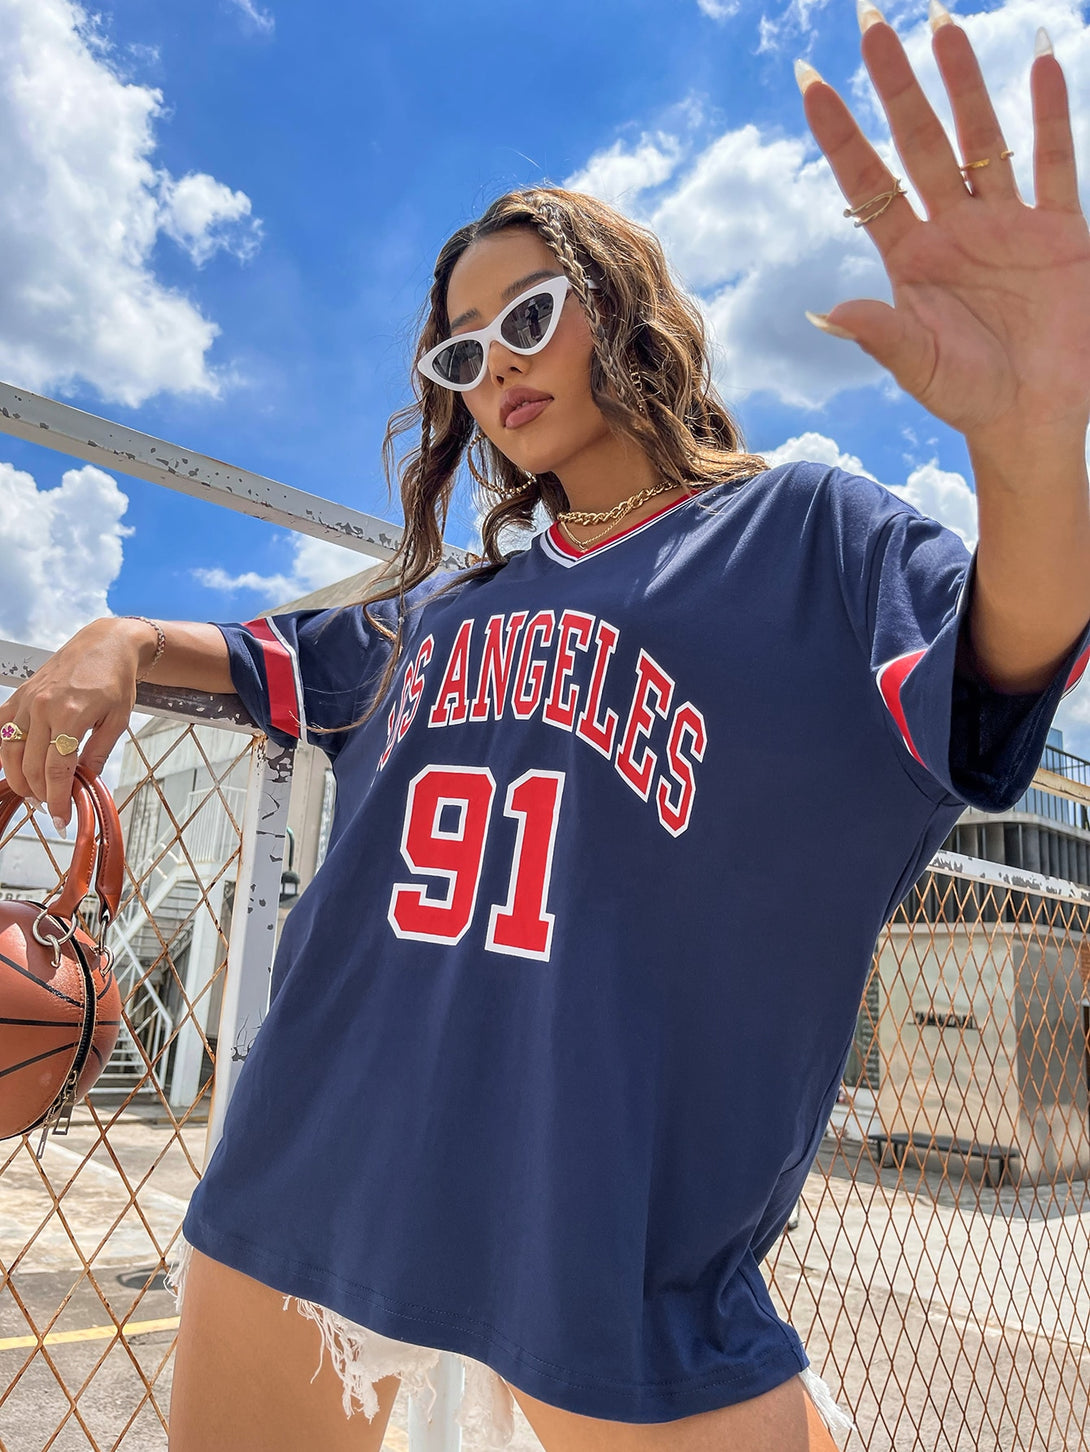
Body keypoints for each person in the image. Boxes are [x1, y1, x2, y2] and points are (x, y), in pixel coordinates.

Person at [2, 7, 1088, 1450]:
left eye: (526, 318)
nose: (495, 369)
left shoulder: (799, 532)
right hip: (307, 1175)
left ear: (621, 306)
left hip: (608, 1240)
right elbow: (257, 656)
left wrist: (1029, 443)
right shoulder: (437, 613)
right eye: (459, 356)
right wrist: (116, 636)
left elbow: (1005, 658)